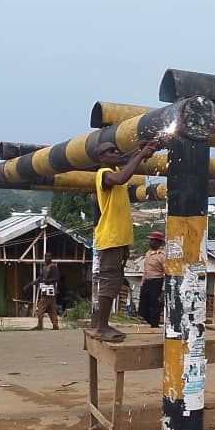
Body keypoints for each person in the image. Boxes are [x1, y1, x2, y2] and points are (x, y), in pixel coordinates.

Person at [93, 137, 158, 341]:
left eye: (116, 150)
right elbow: (121, 177)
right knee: (109, 282)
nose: (115, 152)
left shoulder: (115, 172)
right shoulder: (104, 174)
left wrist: (139, 151)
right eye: (110, 151)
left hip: (119, 239)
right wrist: (141, 154)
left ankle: (102, 325)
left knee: (113, 282)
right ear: (101, 158)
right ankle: (101, 327)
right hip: (110, 238)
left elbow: (125, 171)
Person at [138, 231, 166, 328]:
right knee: (142, 308)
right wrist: (142, 284)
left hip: (157, 282)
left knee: (155, 305)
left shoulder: (162, 256)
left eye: (153, 240)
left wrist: (163, 290)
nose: (150, 242)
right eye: (150, 240)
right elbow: (145, 270)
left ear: (159, 242)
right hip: (146, 282)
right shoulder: (148, 253)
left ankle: (155, 325)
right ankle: (152, 322)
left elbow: (166, 273)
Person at [34, 254, 60, 330]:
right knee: (52, 309)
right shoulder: (45, 267)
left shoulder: (53, 267)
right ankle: (55, 326)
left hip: (49, 290)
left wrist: (47, 281)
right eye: (45, 257)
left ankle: (40, 325)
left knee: (41, 307)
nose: (46, 258)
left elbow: (56, 278)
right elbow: (41, 277)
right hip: (46, 290)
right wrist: (35, 282)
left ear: (51, 258)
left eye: (48, 257)